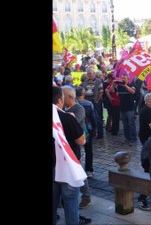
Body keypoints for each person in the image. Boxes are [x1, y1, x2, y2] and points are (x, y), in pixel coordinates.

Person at [52, 86, 91, 225]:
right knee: (71, 203)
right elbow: (81, 140)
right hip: (68, 166)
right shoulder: (67, 117)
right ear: (59, 100)